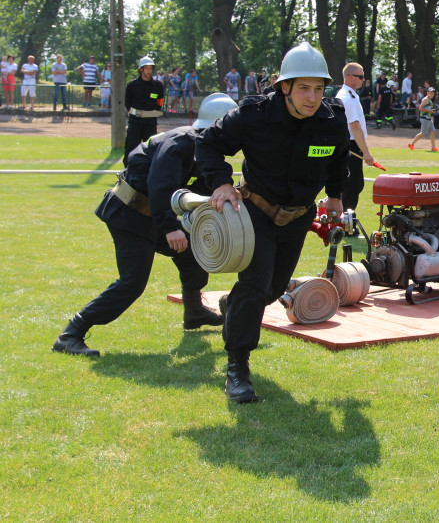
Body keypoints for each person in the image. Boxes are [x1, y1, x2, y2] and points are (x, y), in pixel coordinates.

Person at [195, 42, 349, 403]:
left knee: (271, 289)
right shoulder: (253, 115)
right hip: (256, 212)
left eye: (318, 88)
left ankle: (235, 309)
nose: (312, 98)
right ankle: (238, 367)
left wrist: (337, 194)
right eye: (303, 88)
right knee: (255, 281)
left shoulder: (332, 119)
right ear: (285, 87)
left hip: (298, 217)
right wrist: (219, 182)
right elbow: (207, 142)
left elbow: (341, 157)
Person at [52, 93, 239, 358]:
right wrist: (170, 227)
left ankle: (194, 311)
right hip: (129, 213)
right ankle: (70, 333)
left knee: (192, 255)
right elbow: (159, 184)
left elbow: (200, 186)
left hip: (153, 214)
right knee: (132, 283)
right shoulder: (181, 142)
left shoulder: (202, 147)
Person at [338, 62, 376, 210]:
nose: (363, 80)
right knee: (353, 184)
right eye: (360, 77)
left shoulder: (348, 95)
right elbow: (355, 127)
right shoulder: (349, 98)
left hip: (348, 145)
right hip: (350, 145)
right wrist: (366, 153)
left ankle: (344, 218)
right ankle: (347, 221)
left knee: (353, 184)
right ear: (351, 77)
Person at [123, 56, 165, 165]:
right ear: (141, 69)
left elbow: (160, 103)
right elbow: (127, 103)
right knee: (131, 148)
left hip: (150, 123)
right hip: (135, 122)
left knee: (151, 150)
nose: (149, 71)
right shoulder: (132, 85)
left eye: (150, 68)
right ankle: (128, 171)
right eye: (146, 68)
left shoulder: (158, 86)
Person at [408, 87, 439, 151]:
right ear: (427, 93)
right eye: (431, 93)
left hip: (428, 118)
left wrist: (432, 111)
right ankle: (411, 144)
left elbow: (427, 109)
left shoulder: (430, 100)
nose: (432, 94)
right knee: (423, 133)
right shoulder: (425, 99)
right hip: (424, 118)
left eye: (433, 93)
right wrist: (430, 111)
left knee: (433, 132)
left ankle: (433, 147)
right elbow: (420, 108)